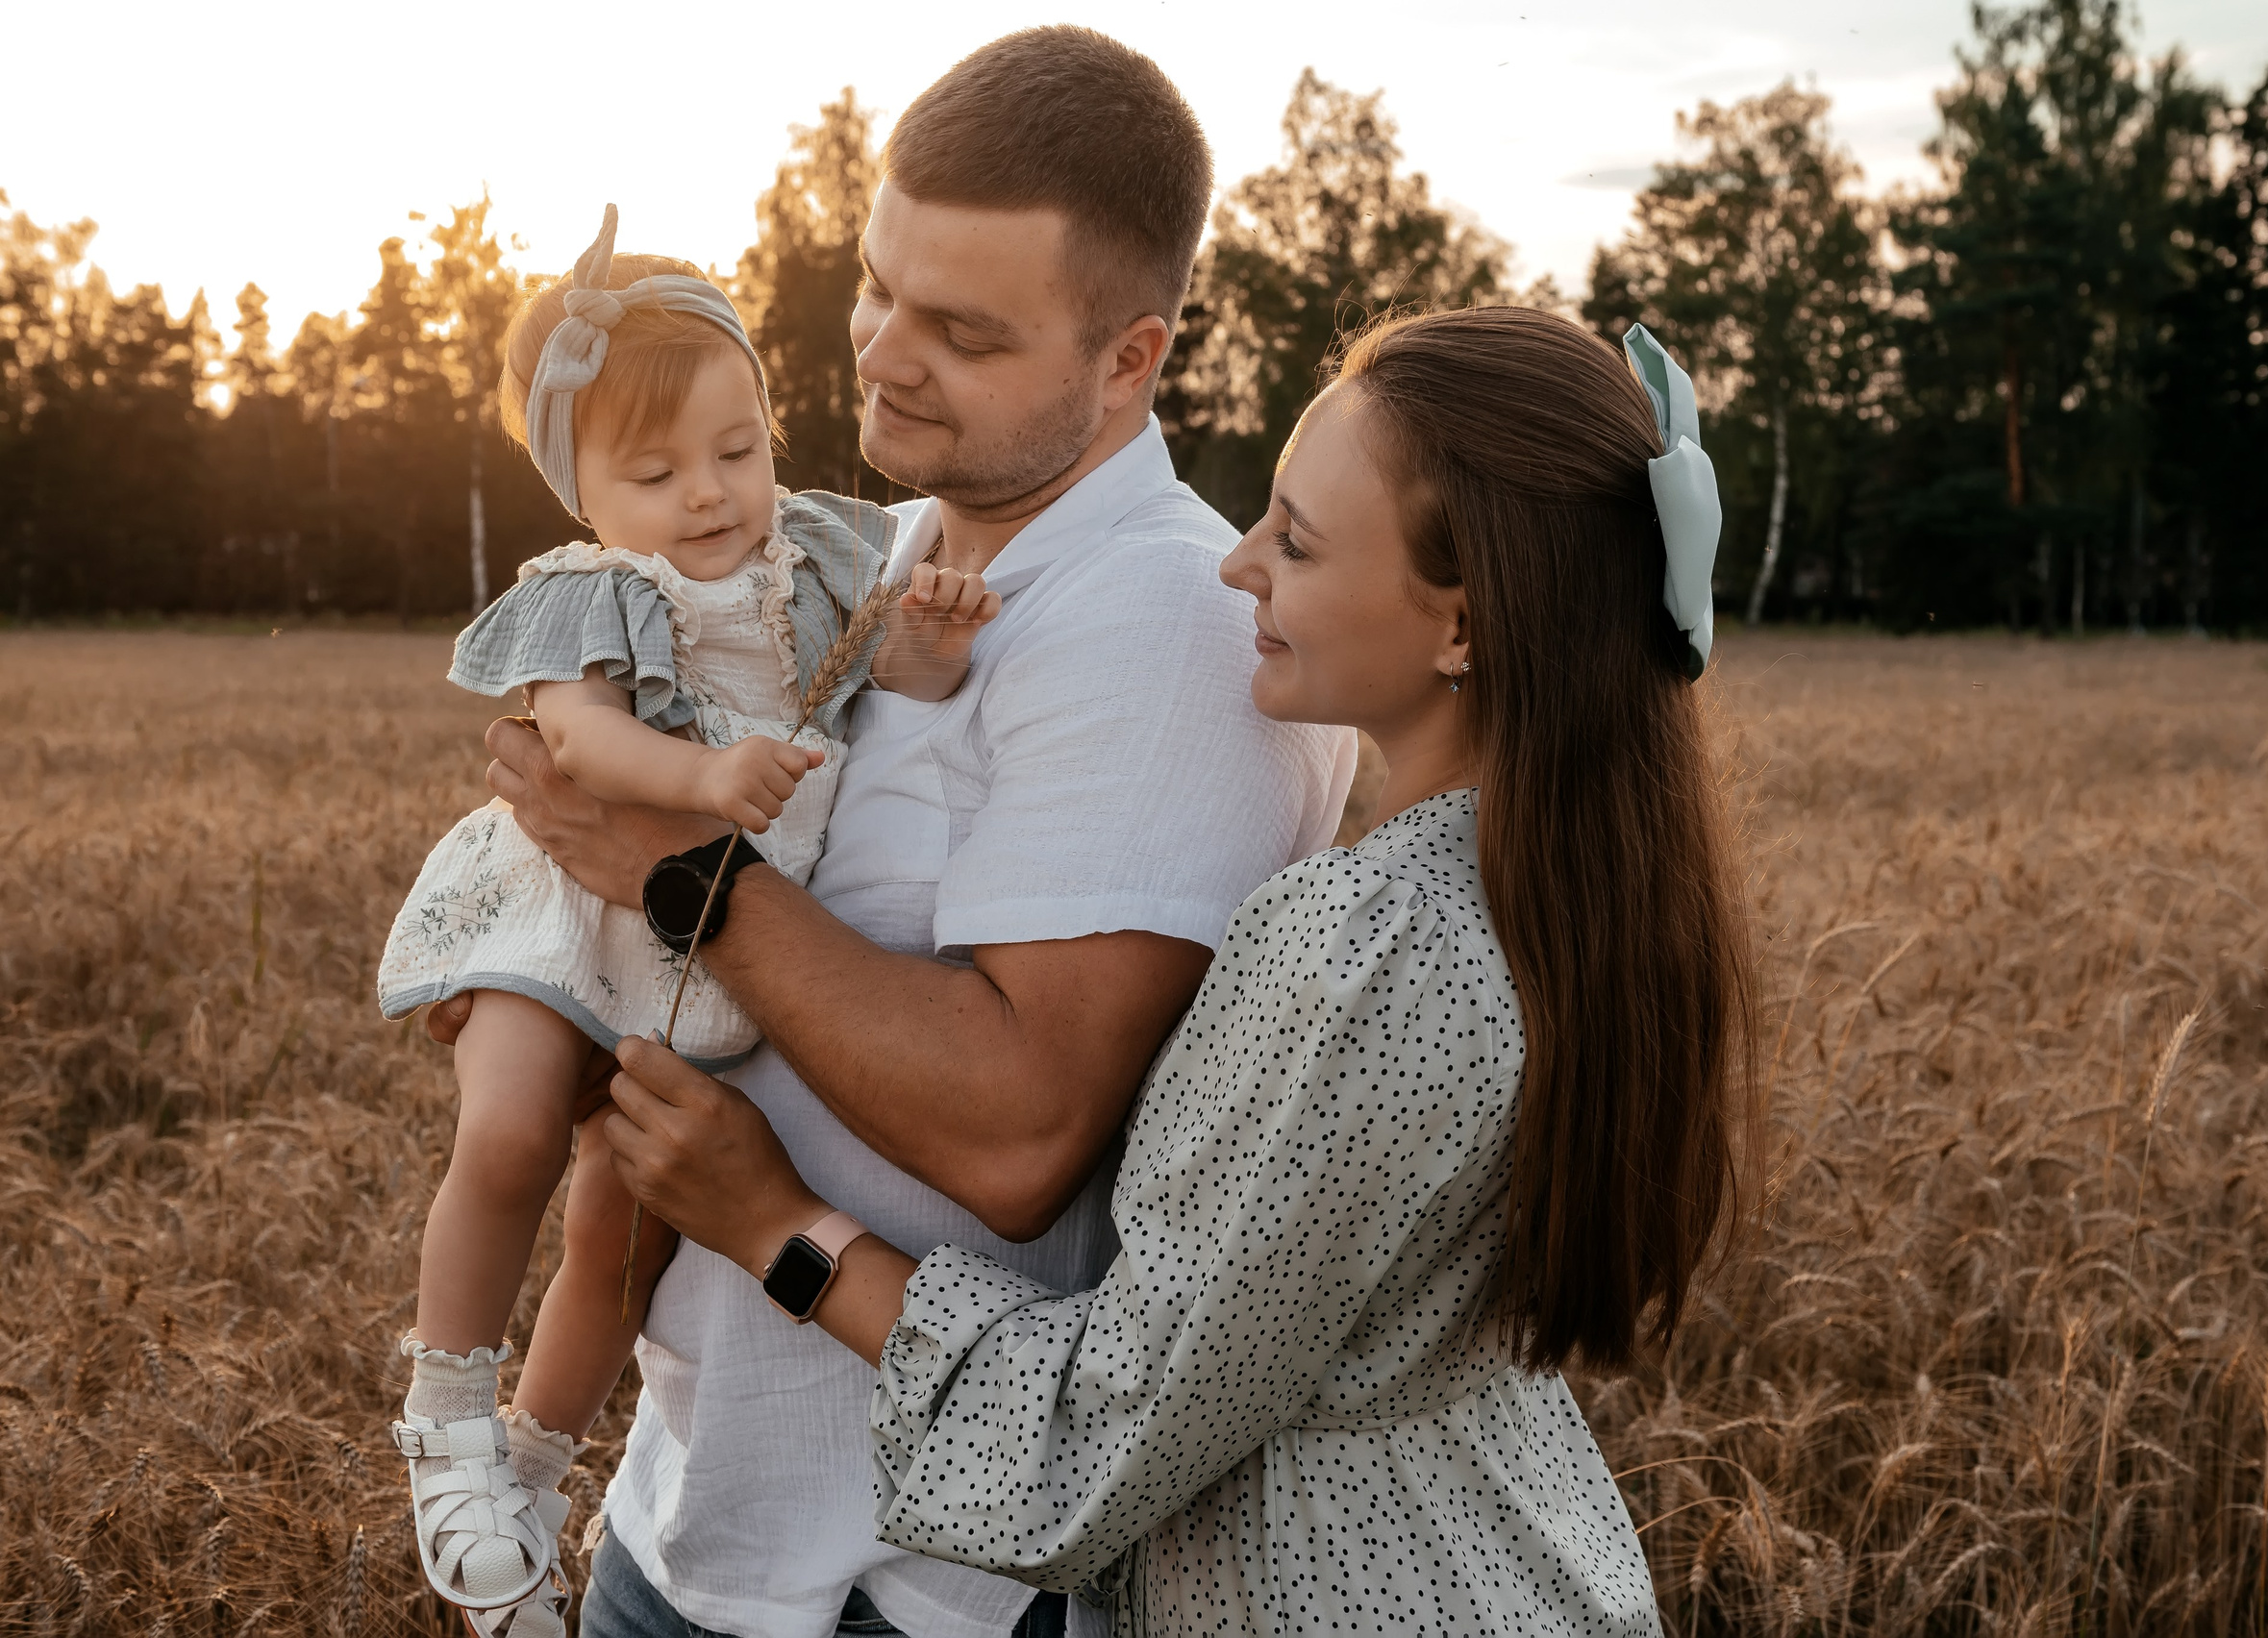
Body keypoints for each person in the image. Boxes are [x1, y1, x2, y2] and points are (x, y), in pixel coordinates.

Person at [591, 304, 1762, 1635]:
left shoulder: (1364, 950)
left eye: (1299, 543)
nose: (1238, 565)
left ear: (1462, 626)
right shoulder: (1555, 883)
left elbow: (1102, 1434)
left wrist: (772, 1225)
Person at [430, 26, 1354, 1638]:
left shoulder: (1159, 627)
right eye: (877, 286)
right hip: (698, 1498)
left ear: (1129, 358)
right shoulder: (866, 554)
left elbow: (1017, 1134)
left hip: (905, 1579)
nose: (881, 355)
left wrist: (664, 872)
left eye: (963, 330)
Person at [375, 207, 1001, 1631]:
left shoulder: (824, 562)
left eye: (739, 450)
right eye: (654, 472)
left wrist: (933, 643)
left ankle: (536, 1470)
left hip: (685, 952)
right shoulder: (594, 591)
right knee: (518, 1134)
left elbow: (873, 676)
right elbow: (584, 751)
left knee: (624, 1232)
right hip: (561, 922)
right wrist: (708, 775)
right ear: (580, 488)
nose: (711, 494)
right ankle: (449, 1423)